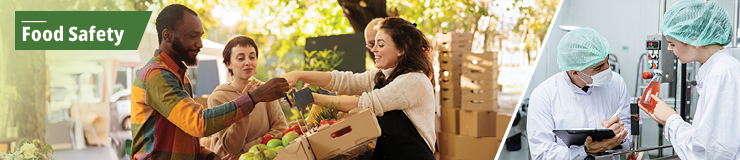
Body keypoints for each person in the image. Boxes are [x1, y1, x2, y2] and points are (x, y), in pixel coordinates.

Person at [130, 4, 289, 160]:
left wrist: (211, 157)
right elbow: (198, 122)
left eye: (201, 36)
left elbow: (185, 135)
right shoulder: (156, 74)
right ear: (167, 36)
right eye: (193, 36)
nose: (200, 44)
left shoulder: (181, 77)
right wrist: (253, 98)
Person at [281, 17, 436, 159]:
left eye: (380, 45)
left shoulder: (414, 81)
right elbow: (343, 81)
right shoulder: (381, 76)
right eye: (373, 44)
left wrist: (311, 98)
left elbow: (364, 104)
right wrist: (298, 74)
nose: (374, 49)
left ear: (401, 50)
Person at [638, 0, 740, 159]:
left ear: (694, 38)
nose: (668, 49)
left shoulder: (723, 72)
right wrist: (667, 121)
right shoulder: (716, 69)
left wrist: (671, 119)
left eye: (672, 43)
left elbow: (713, 153)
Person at [527, 27, 633, 160]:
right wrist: (584, 151)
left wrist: (620, 137)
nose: (608, 69)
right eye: (598, 67)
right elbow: (542, 154)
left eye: (607, 61)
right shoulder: (543, 96)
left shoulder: (616, 82)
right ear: (574, 72)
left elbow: (631, 132)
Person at [205, 36, 288, 160]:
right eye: (240, 58)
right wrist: (246, 102)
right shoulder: (218, 97)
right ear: (228, 64)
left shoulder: (265, 90)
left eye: (252, 57)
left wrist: (248, 150)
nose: (248, 62)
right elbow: (232, 147)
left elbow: (281, 128)